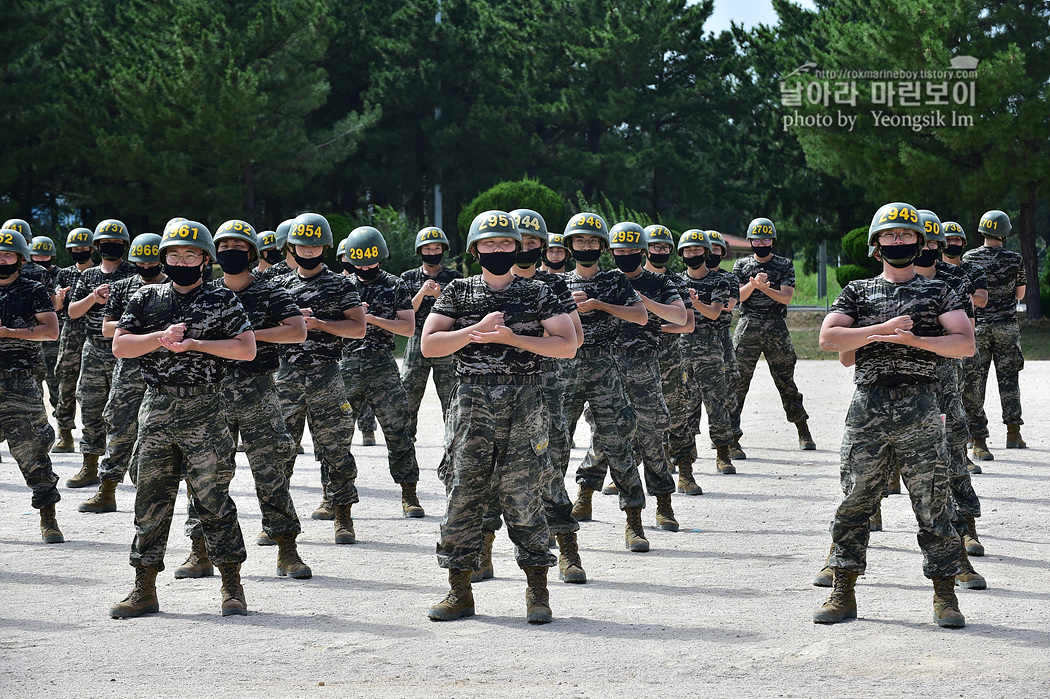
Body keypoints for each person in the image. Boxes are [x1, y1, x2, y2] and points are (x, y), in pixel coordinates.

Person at [813, 202, 972, 629]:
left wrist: (917, 341)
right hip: (868, 406)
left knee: (932, 502)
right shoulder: (858, 292)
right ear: (876, 243)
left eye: (905, 235)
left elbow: (964, 343)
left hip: (921, 404)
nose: (897, 242)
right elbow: (829, 338)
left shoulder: (938, 291)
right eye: (890, 235)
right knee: (855, 501)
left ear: (919, 242)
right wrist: (879, 331)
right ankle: (843, 590)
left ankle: (945, 597)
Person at [422, 209, 575, 624]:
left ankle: (537, 591)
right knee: (463, 494)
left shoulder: (538, 292)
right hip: (471, 405)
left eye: (505, 244)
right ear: (474, 249)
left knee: (524, 496)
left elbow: (567, 344)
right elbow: (430, 345)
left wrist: (512, 337)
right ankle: (459, 591)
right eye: (488, 244)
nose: (497, 250)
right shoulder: (458, 292)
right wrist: (474, 330)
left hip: (524, 402)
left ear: (519, 246)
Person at [109, 220, 257, 618]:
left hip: (206, 410)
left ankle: (231, 585)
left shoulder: (222, 300)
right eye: (173, 254)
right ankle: (144, 588)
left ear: (205, 259)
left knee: (213, 501)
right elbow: (120, 345)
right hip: (157, 409)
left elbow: (246, 349)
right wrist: (158, 337)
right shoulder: (146, 297)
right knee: (150, 501)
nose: (181, 261)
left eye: (190, 255)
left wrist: (195, 344)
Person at [175, 219, 311, 579]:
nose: (231, 253)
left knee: (271, 472)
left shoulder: (271, 292)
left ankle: (287, 549)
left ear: (251, 252)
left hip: (258, 391)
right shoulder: (207, 292)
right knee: (206, 476)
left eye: (238, 247)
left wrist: (247, 334)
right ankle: (199, 550)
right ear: (212, 253)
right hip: (214, 394)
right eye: (224, 247)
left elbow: (296, 331)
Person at [472, 208, 585, 584]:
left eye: (535, 241)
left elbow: (575, 340)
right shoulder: (478, 287)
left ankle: (567, 550)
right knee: (486, 476)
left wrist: (524, 341)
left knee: (549, 471)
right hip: (487, 396)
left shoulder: (551, 288)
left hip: (544, 392)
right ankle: (483, 552)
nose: (526, 248)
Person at [576, 221, 686, 531]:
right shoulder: (604, 281)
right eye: (620, 251)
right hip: (606, 368)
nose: (627, 255)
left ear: (643, 250)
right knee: (602, 436)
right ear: (610, 251)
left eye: (633, 250)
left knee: (652, 436)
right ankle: (585, 493)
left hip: (643, 366)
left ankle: (664, 503)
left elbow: (680, 316)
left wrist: (638, 299)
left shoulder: (659, 282)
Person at [559, 213, 650, 552]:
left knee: (619, 446)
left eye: (593, 241)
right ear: (570, 245)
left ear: (602, 246)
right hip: (565, 371)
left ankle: (634, 522)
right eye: (580, 241)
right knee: (555, 447)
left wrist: (599, 304)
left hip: (605, 370)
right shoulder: (558, 283)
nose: (587, 246)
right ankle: (555, 522)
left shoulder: (614, 281)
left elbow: (640, 316)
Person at [274, 213, 367, 542]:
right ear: (292, 246)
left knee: (336, 449)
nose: (308, 250)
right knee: (279, 450)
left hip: (326, 374)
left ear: (325, 246)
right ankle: (278, 521)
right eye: (302, 245)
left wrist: (321, 324)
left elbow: (358, 328)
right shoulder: (279, 285)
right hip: (285, 377)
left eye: (315, 245)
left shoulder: (341, 284)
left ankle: (343, 517)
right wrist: (292, 327)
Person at [78, 233, 167, 513]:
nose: (146, 267)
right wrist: (151, 330)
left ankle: (154, 493)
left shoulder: (175, 288)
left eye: (152, 261)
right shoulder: (122, 287)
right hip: (128, 369)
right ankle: (107, 490)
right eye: (140, 261)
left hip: (165, 370)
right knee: (118, 427)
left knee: (160, 431)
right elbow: (106, 329)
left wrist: (132, 329)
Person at [338, 225, 424, 517]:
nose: (364, 266)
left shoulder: (396, 284)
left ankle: (409, 493)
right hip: (345, 363)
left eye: (370, 259)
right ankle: (333, 498)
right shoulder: (340, 285)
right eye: (358, 260)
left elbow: (408, 327)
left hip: (381, 364)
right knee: (336, 435)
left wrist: (371, 318)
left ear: (380, 256)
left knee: (399, 430)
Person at [730, 217, 813, 456]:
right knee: (738, 384)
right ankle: (731, 437)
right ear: (750, 241)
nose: (761, 243)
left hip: (776, 327)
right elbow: (738, 298)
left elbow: (786, 297)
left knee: (786, 381)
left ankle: (803, 430)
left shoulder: (784, 265)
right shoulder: (741, 266)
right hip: (748, 327)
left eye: (766, 239)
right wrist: (755, 286)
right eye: (757, 239)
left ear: (772, 241)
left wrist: (766, 288)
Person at [0, 227, 62, 542]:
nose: (2, 260)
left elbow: (50, 331)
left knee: (33, 451)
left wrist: (9, 332)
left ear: (21, 260)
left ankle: (48, 518)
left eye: (8, 255)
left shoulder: (33, 290)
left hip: (19, 382)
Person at [65, 220, 137, 488]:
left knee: (126, 411)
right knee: (91, 407)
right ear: (97, 246)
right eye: (106, 242)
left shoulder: (132, 274)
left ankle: (131, 467)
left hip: (126, 350)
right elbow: (72, 312)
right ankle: (90, 465)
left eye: (117, 243)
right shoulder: (89, 276)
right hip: (93, 349)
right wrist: (93, 298)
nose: (111, 246)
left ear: (125, 246)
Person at [670, 230, 738, 476]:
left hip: (710, 346)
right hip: (681, 346)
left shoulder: (718, 280)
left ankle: (723, 453)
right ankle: (684, 454)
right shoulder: (675, 280)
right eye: (688, 251)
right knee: (683, 403)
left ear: (706, 252)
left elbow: (715, 313)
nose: (692, 254)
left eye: (697, 250)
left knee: (715, 402)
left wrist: (694, 302)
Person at [961, 210, 1027, 461]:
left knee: (975, 382)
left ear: (982, 230)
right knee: (1008, 381)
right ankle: (1013, 433)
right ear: (1006, 232)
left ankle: (972, 434)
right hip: (1007, 327)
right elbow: (1020, 295)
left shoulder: (969, 258)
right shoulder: (1015, 259)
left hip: (977, 327)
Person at [641, 225, 696, 491]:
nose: (660, 251)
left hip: (670, 358)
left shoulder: (676, 281)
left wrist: (655, 327)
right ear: (645, 249)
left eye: (665, 247)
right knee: (631, 418)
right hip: (636, 358)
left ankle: (685, 470)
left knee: (676, 416)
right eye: (655, 246)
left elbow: (688, 324)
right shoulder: (629, 278)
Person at [400, 226, 463, 443]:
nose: (433, 252)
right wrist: (422, 292)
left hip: (445, 339)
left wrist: (440, 295)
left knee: (450, 392)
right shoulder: (408, 277)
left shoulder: (454, 278)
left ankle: (453, 440)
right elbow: (406, 311)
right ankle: (406, 440)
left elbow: (459, 309)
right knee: (408, 391)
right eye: (428, 248)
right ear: (420, 251)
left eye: (437, 248)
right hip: (417, 337)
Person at [939, 220, 988, 474]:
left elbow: (981, 299)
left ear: (964, 243)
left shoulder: (971, 270)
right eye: (949, 240)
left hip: (965, 339)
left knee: (970, 392)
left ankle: (978, 440)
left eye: (957, 240)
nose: (953, 244)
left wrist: (960, 295)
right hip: (936, 345)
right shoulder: (922, 271)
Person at [51, 228, 96, 453]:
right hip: (70, 332)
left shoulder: (100, 272)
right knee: (65, 382)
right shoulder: (64, 274)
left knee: (97, 384)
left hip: (94, 331)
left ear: (92, 249)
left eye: (83, 248)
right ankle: (65, 433)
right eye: (75, 249)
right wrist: (59, 299)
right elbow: (58, 308)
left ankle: (98, 434)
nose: (79, 252)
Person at [30, 236, 62, 411]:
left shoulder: (58, 274)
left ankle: (60, 420)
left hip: (52, 335)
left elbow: (57, 308)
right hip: (27, 334)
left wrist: (59, 299)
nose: (41, 259)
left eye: (45, 256)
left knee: (54, 379)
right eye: (37, 256)